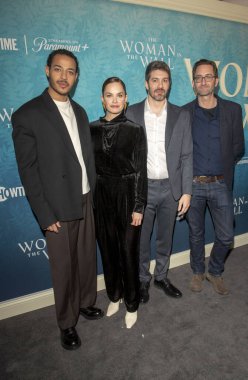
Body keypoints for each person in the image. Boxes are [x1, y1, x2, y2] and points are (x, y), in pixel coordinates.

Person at [12, 49, 103, 351]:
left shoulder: (80, 111)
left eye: (71, 71)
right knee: (64, 267)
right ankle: (67, 322)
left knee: (87, 257)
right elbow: (29, 171)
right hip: (56, 207)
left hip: (85, 196)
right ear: (47, 71)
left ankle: (87, 302)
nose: (64, 77)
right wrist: (44, 213)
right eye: (59, 70)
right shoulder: (27, 114)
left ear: (77, 76)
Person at [126, 61, 193, 303]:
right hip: (142, 190)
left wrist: (187, 192)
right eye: (155, 80)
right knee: (143, 239)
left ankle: (161, 276)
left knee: (166, 236)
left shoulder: (181, 115)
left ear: (169, 84)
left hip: (171, 189)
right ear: (146, 83)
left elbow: (186, 155)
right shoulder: (131, 113)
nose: (160, 85)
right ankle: (143, 279)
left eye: (164, 80)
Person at [183, 59, 244, 295]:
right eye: (199, 77)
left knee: (227, 235)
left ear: (216, 81)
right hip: (193, 185)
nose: (203, 81)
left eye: (208, 77)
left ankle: (215, 270)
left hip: (221, 183)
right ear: (193, 83)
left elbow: (237, 148)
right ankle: (198, 271)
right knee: (196, 234)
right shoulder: (184, 113)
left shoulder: (233, 110)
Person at [90, 77, 147, 328]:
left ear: (126, 99)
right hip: (101, 195)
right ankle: (115, 295)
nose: (115, 100)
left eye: (120, 95)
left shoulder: (135, 130)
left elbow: (140, 171)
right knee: (108, 249)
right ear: (102, 99)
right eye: (110, 95)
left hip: (127, 194)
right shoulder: (90, 129)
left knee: (127, 251)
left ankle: (132, 303)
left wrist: (138, 205)